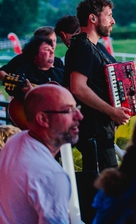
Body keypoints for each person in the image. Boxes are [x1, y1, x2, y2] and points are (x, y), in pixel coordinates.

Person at [64, 0, 130, 172]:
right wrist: (111, 111)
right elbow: (78, 87)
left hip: (102, 129)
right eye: (108, 15)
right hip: (93, 131)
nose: (113, 21)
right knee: (106, 187)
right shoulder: (82, 47)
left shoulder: (97, 48)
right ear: (93, 18)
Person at [0, 84, 82, 223]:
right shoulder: (50, 175)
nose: (79, 116)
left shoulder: (15, 141)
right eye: (68, 110)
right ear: (43, 119)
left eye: (76, 108)